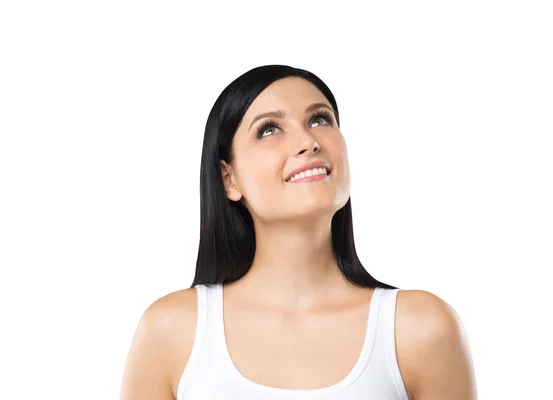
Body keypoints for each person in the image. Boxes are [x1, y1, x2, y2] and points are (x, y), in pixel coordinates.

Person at [120, 65, 477, 399]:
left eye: (320, 119)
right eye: (269, 129)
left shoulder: (421, 329)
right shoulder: (172, 331)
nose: (308, 141)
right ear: (229, 178)